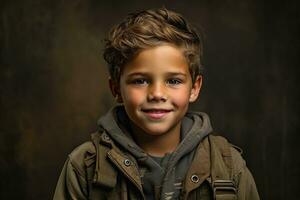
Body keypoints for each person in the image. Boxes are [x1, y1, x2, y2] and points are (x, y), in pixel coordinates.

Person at [53, 8, 260, 200]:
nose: (157, 94)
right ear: (116, 89)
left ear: (194, 88)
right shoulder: (84, 166)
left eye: (173, 81)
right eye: (140, 81)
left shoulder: (228, 165)